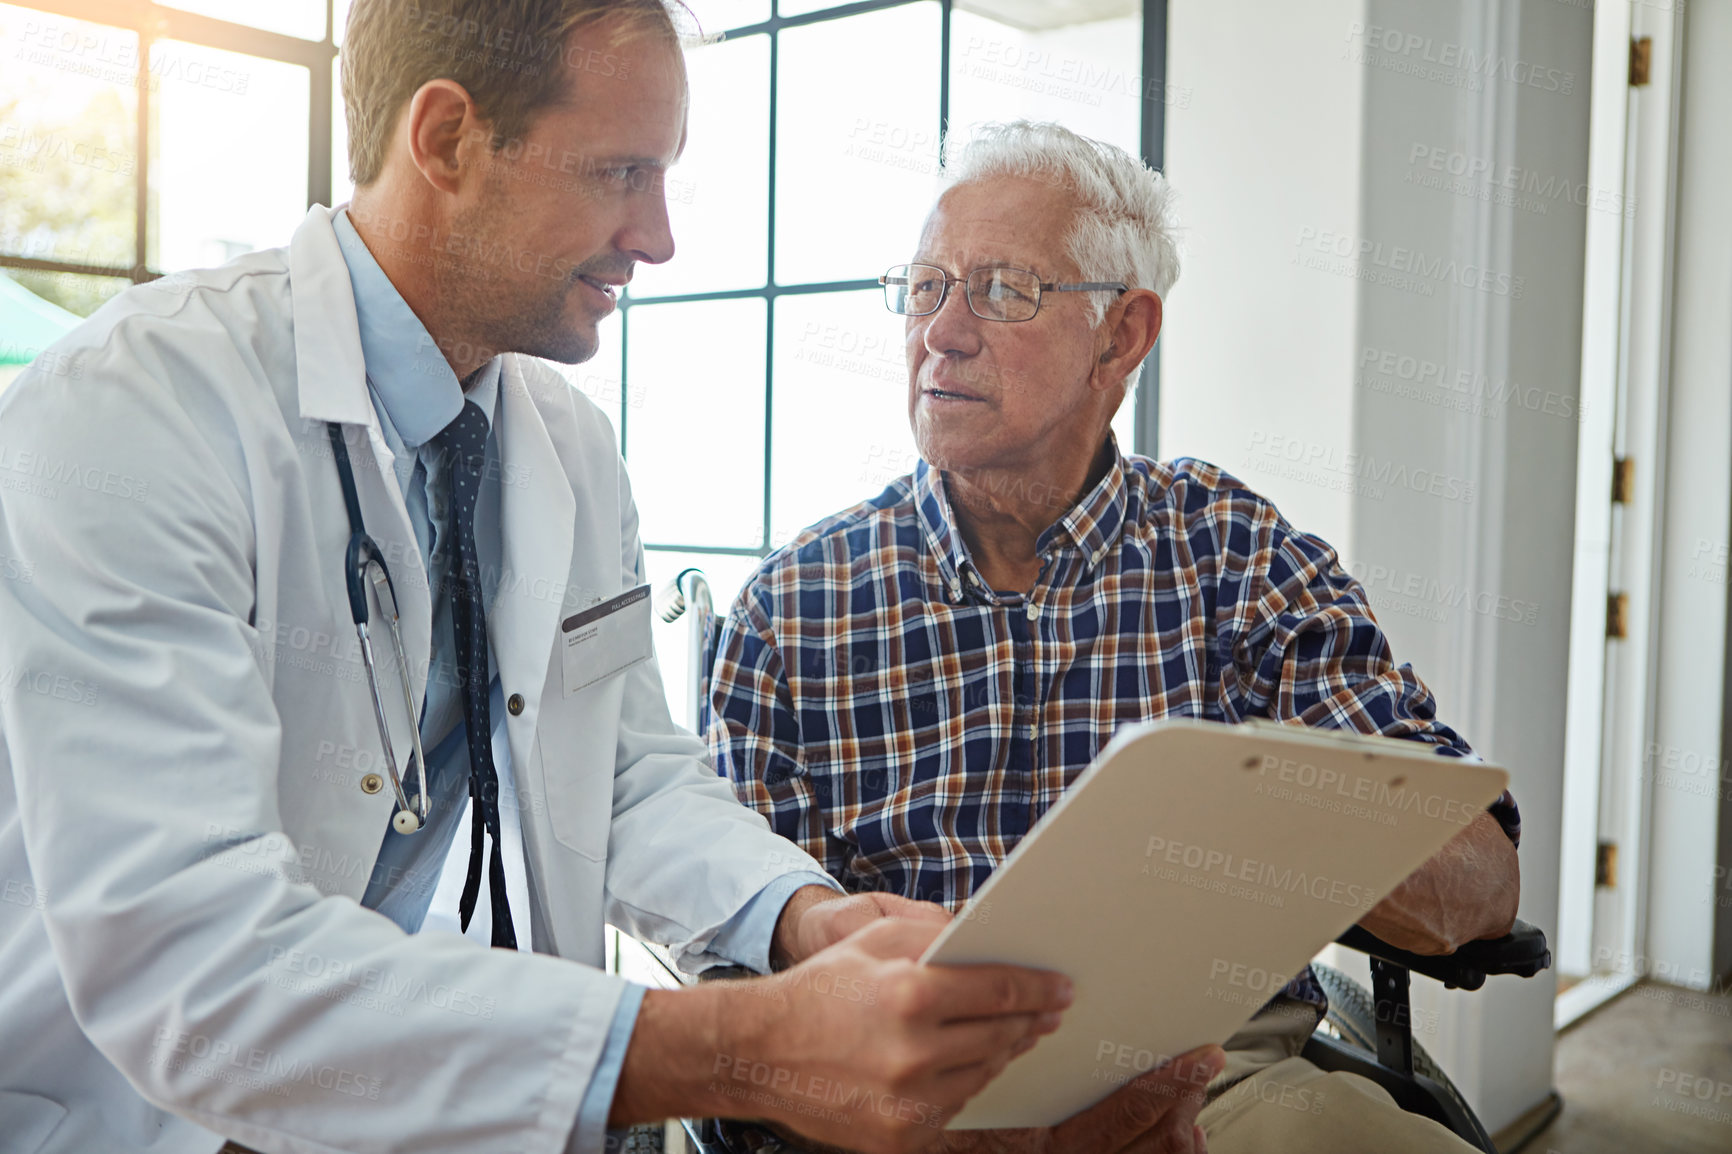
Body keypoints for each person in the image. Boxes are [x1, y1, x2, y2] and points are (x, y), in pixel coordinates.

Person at [0, 10, 1196, 1154]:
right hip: (108, 1109)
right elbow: (192, 963)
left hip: (361, 1097)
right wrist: (735, 1045)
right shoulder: (136, 411)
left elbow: (622, 771)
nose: (659, 236)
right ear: (448, 140)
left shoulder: (561, 443)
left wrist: (803, 914)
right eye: (620, 172)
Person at [708, 120, 1523, 1154]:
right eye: (924, 286)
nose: (941, 332)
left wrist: (1276, 821)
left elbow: (1479, 888)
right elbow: (740, 975)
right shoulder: (795, 605)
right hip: (910, 1106)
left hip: (1215, 1074)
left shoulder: (1232, 553)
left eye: (1004, 289)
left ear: (1122, 334)